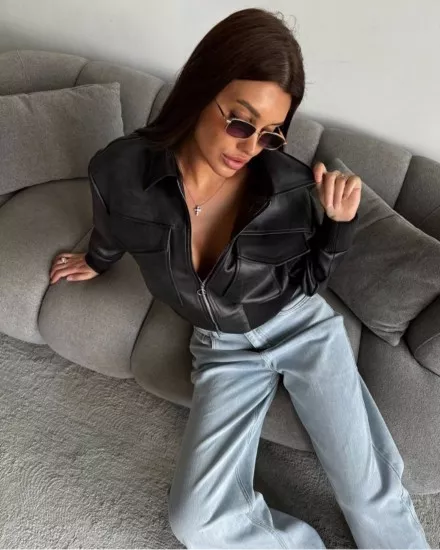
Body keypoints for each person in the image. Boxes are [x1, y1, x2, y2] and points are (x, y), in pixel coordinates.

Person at [49, 8, 430, 549]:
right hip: (221, 347)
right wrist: (97, 259)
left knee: (369, 493)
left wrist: (338, 227)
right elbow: (111, 221)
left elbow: (308, 279)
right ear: (200, 91)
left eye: (271, 135)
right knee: (197, 520)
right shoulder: (120, 171)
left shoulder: (288, 189)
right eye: (240, 123)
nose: (250, 148)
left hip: (302, 329)